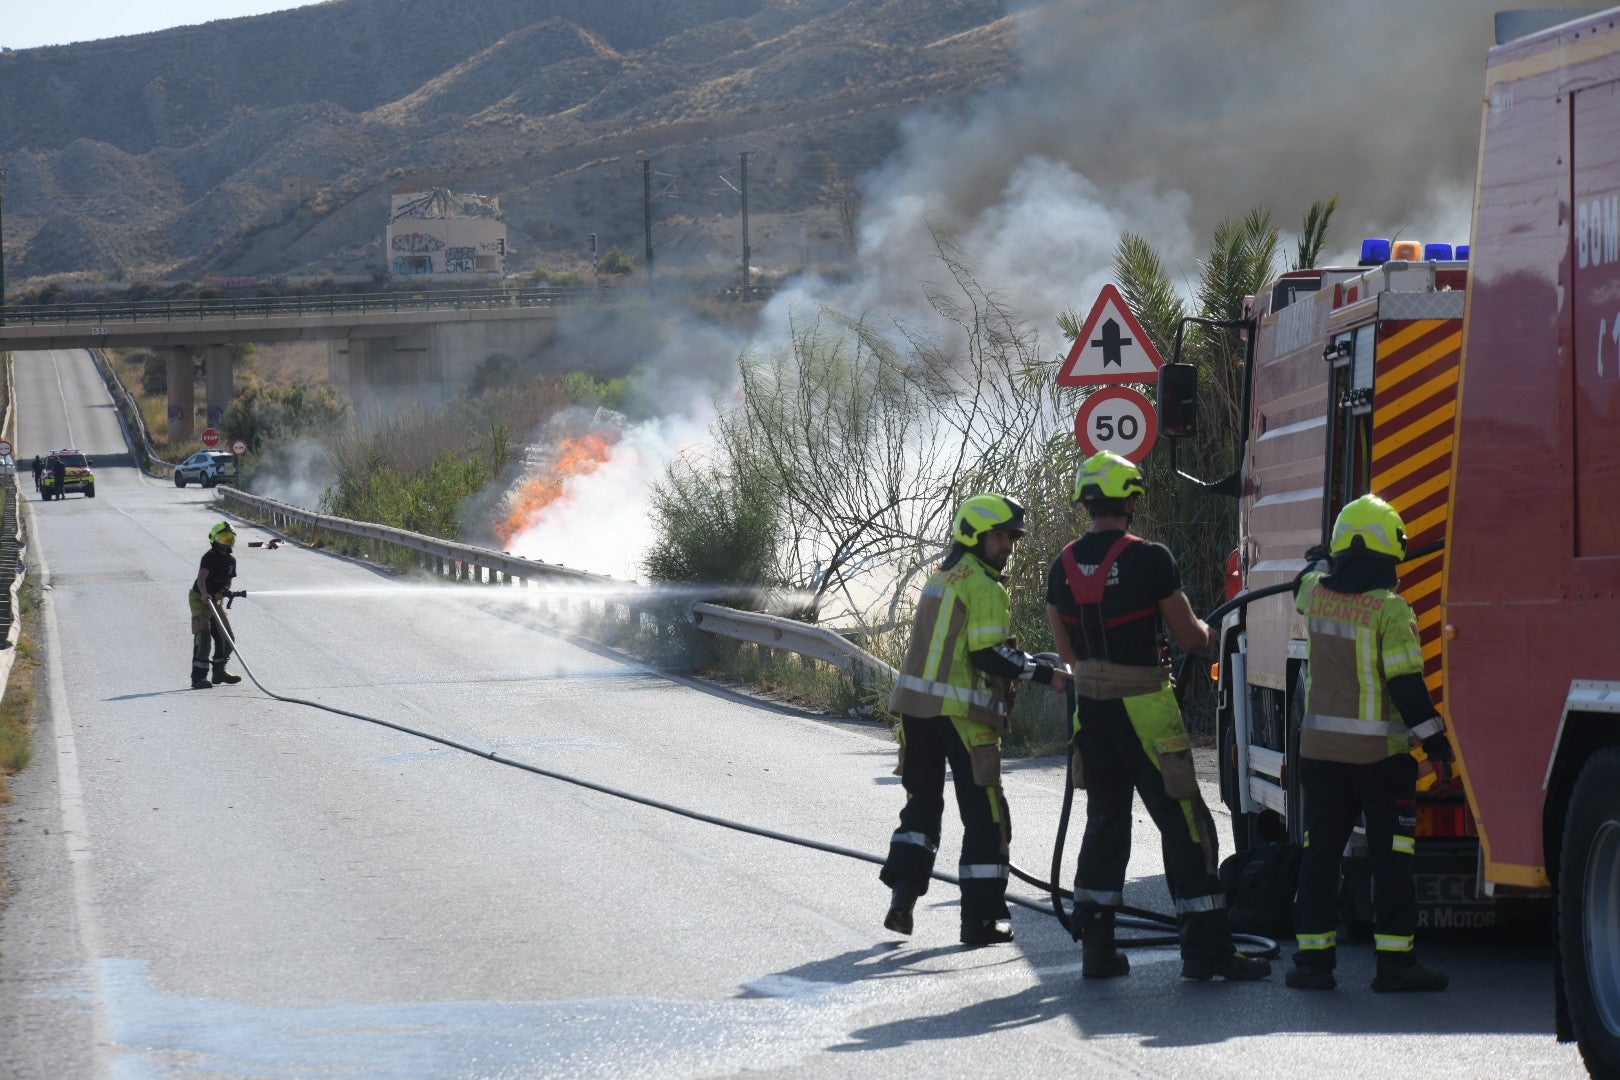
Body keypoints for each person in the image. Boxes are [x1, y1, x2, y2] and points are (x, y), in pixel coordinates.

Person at [1047, 451, 1270, 982]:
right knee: (1187, 826)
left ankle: (1098, 950)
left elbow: (1068, 655)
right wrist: (1211, 633)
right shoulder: (1150, 558)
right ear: (1130, 500)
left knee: (1105, 824)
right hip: (1146, 711)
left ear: (1085, 502)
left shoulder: (1062, 566)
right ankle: (1206, 951)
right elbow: (1191, 637)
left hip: (1090, 713)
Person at [882, 493, 1071, 946]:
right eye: (1000, 536)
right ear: (973, 535)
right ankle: (982, 921)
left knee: (921, 807)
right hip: (963, 717)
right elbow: (988, 654)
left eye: (1011, 538)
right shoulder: (985, 586)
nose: (1007, 545)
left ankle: (902, 898)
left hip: (915, 712)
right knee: (987, 818)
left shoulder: (940, 579)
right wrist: (1047, 674)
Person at [1286, 494, 1453, 993]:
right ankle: (1396, 966)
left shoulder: (1316, 595)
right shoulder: (1391, 611)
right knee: (1391, 860)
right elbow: (1407, 688)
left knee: (1319, 856)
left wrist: (1321, 559)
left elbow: (1302, 580)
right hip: (1380, 761)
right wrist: (1437, 750)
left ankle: (1313, 964)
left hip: (1320, 756)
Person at [190, 521, 243, 689]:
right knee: (204, 637)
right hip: (200, 599)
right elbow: (201, 579)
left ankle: (219, 671)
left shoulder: (231, 560)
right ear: (214, 539)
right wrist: (205, 594)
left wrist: (222, 591)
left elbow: (228, 582)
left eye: (230, 539)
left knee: (227, 636)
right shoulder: (210, 557)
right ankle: (198, 678)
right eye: (223, 538)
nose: (227, 542)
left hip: (216, 600)